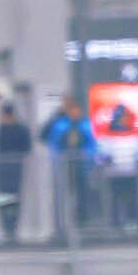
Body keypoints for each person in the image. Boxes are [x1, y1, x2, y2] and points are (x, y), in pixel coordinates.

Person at [40, 95, 97, 230]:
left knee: (82, 194)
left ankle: (83, 221)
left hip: (81, 166)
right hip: (65, 166)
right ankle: (63, 224)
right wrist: (58, 158)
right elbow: (53, 142)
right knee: (64, 193)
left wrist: (88, 157)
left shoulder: (85, 125)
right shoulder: (61, 125)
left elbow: (92, 143)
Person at [0, 102, 32, 242]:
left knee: (15, 199)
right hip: (3, 170)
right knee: (2, 199)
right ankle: (6, 229)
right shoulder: (1, 128)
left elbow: (27, 148)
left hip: (15, 169)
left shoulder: (21, 129)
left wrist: (15, 157)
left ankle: (13, 228)